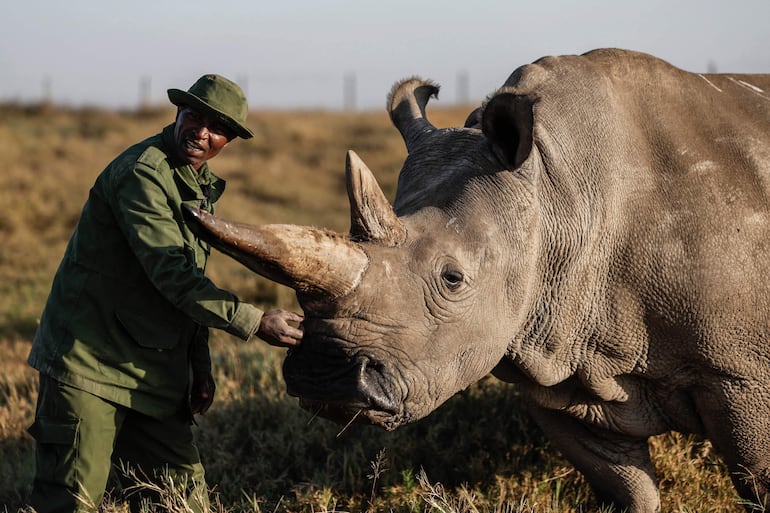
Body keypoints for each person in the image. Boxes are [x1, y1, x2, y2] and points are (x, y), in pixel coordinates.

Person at [26, 74, 304, 512]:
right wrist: (254, 321)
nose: (201, 131)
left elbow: (185, 287)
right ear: (178, 113)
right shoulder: (143, 174)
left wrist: (199, 369)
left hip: (147, 370)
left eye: (216, 127)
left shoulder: (196, 183)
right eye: (194, 116)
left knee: (182, 500)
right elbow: (173, 275)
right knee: (70, 501)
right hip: (89, 364)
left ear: (228, 139)